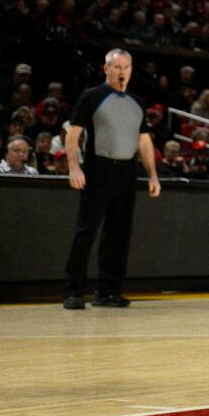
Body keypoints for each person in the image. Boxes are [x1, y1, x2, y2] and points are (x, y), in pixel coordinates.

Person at [62, 49, 160, 309]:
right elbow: (73, 134)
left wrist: (152, 175)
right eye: (117, 67)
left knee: (119, 234)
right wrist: (74, 167)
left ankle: (108, 291)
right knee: (87, 230)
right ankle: (73, 291)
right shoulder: (92, 96)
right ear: (106, 69)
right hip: (97, 168)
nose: (122, 72)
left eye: (126, 67)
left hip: (126, 171)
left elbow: (144, 141)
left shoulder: (138, 101)